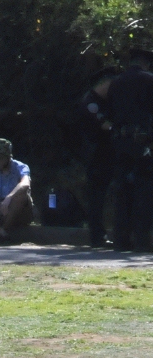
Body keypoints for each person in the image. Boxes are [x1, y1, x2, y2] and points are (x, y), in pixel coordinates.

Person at [105, 48, 153, 251]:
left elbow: (111, 112)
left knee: (122, 189)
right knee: (144, 190)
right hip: (143, 143)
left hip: (121, 141)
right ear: (146, 63)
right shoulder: (149, 80)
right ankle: (142, 240)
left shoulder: (116, 82)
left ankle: (120, 239)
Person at [79, 66, 120, 247]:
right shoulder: (91, 103)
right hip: (96, 156)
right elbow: (104, 126)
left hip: (105, 155)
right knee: (96, 197)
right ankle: (97, 235)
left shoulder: (103, 102)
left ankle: (104, 232)